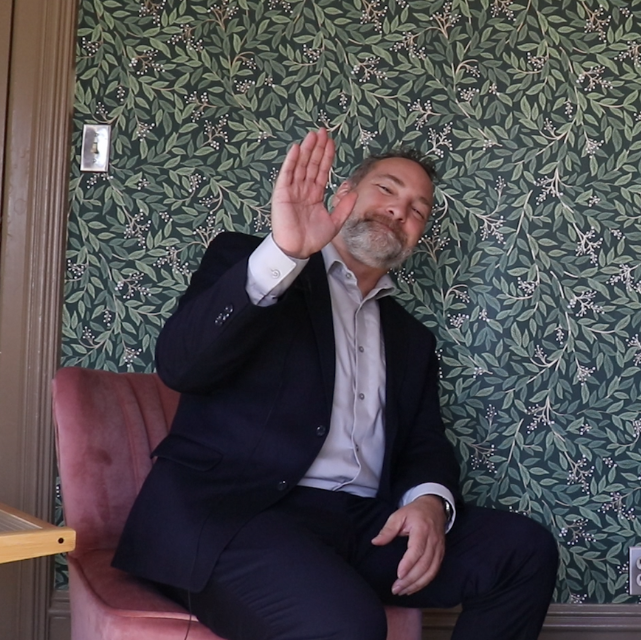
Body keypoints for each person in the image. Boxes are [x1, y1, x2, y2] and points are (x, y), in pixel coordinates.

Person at [113, 129, 558, 640]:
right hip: (234, 517)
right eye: (387, 190)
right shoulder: (253, 264)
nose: (399, 211)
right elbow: (180, 366)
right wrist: (285, 253)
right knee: (347, 625)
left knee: (523, 551)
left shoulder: (411, 339)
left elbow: (424, 444)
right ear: (344, 193)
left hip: (362, 525)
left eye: (418, 209)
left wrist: (430, 502)